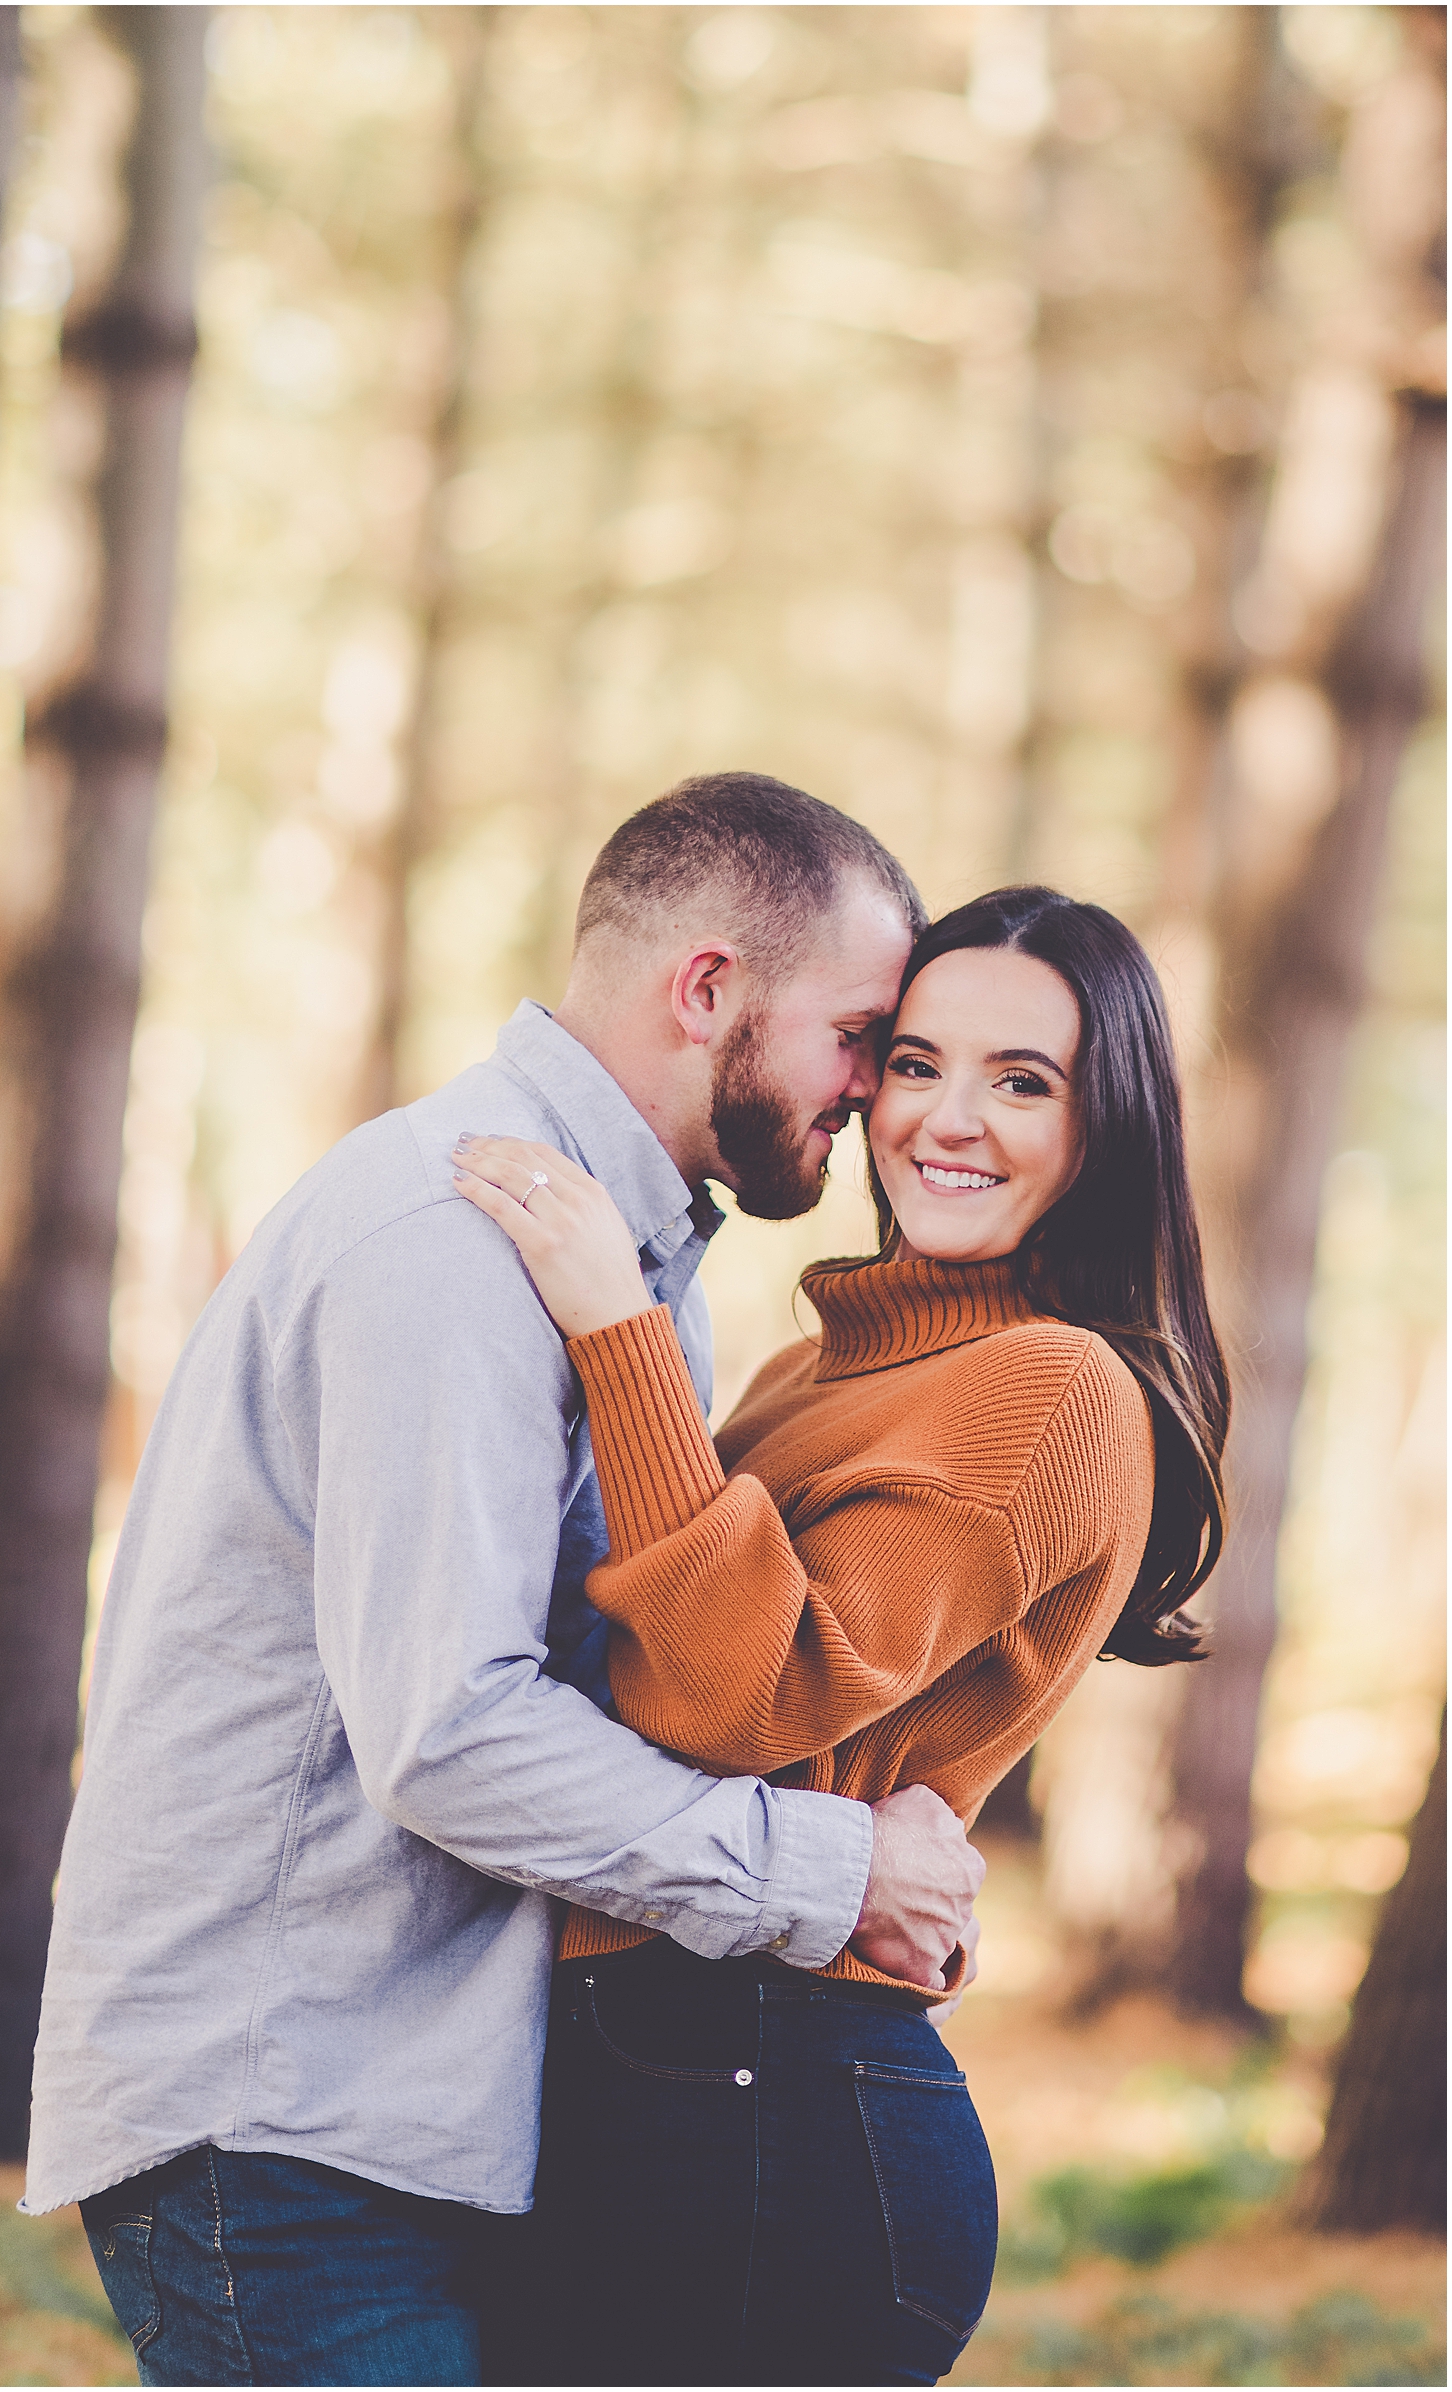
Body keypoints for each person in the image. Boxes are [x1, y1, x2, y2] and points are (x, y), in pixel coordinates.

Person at [23, 772, 988, 2389]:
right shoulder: (459, 1238)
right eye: (863, 1037)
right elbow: (454, 1734)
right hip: (291, 2125)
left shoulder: (605, 1251)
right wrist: (831, 1876)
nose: (876, 1096)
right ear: (708, 991)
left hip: (401, 2114)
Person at [453, 883, 1230, 2388]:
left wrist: (618, 1332)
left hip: (771, 2114)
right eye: (917, 1060)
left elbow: (727, 1697)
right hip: (675, 2074)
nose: (947, 1117)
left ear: (1103, 1130)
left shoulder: (1051, 1386)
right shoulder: (828, 1365)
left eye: (1024, 1082)